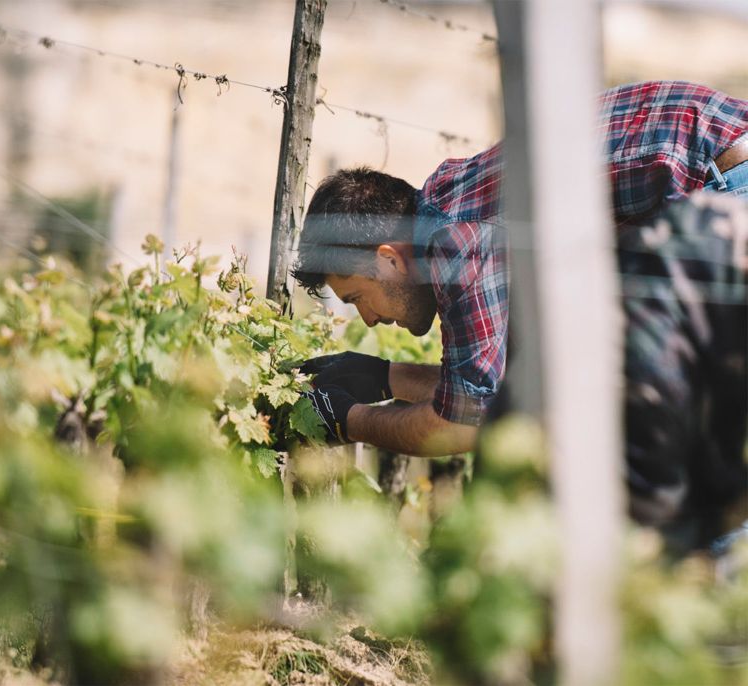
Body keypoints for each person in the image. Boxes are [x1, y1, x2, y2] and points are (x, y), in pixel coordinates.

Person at [294, 81, 748, 544]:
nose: (367, 320)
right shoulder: (446, 203)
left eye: (355, 298)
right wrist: (383, 376)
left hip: (729, 187)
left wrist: (349, 420)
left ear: (389, 260)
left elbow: (461, 422)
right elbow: (505, 392)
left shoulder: (457, 241)